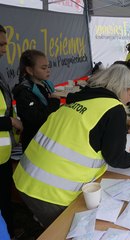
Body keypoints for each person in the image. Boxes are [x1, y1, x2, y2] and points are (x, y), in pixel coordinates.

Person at [13, 65, 130, 228]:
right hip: (52, 192)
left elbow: (88, 135)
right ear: (121, 88)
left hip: (25, 178)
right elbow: (116, 158)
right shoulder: (114, 109)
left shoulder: (81, 100)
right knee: (67, 230)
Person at [0, 24, 23, 239]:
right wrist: (10, 122)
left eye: (6, 44)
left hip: (4, 153)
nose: (4, 49)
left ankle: (10, 231)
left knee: (5, 196)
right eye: (0, 44)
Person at [13, 50, 60, 152]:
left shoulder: (47, 85)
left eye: (48, 66)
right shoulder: (23, 92)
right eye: (43, 68)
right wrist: (55, 103)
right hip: (33, 143)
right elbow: (38, 119)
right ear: (30, 70)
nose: (48, 70)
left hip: (47, 139)